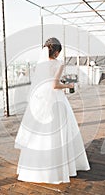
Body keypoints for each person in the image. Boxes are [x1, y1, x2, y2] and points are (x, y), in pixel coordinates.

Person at [15, 37, 90, 184]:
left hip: (40, 98)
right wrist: (69, 86)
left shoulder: (41, 64)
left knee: (38, 131)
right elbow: (54, 85)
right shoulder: (59, 63)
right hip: (55, 99)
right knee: (59, 131)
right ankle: (59, 167)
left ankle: (34, 168)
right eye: (58, 52)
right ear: (56, 51)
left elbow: (46, 81)